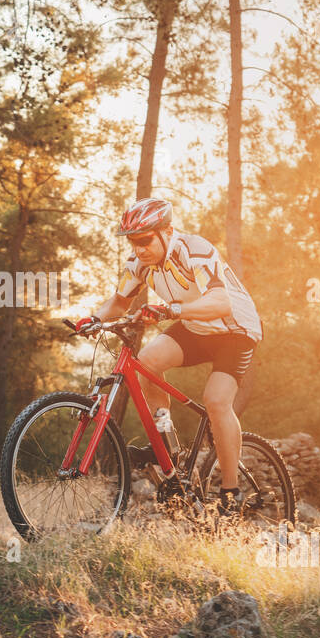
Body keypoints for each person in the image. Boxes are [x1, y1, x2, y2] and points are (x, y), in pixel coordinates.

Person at [74, 197, 263, 512]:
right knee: (146, 361)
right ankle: (165, 437)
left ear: (167, 231)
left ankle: (231, 492)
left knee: (216, 401)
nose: (139, 248)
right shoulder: (139, 264)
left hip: (236, 329)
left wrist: (170, 309)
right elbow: (119, 302)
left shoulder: (195, 250)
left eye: (145, 240)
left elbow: (221, 302)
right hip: (197, 328)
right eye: (133, 242)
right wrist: (94, 318)